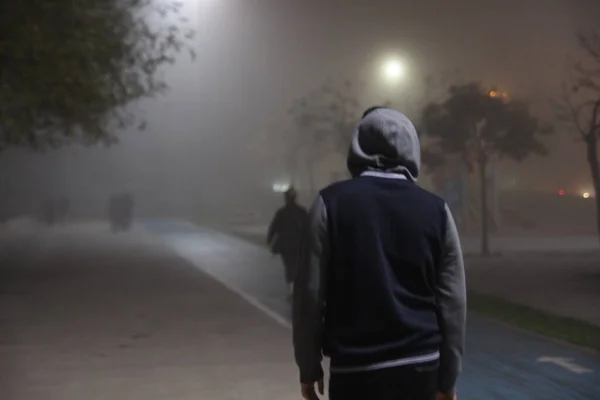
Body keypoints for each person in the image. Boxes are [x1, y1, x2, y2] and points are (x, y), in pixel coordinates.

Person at [292, 107, 466, 400]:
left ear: (358, 145)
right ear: (411, 148)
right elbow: (453, 303)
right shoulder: (437, 211)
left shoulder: (329, 204)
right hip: (420, 367)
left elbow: (309, 297)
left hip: (354, 372)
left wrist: (309, 367)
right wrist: (447, 379)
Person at [267, 186, 308, 300]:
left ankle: (291, 290)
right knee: (300, 266)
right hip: (300, 245)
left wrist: (270, 240)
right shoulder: (302, 212)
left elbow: (274, 228)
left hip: (286, 246)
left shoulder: (281, 212)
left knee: (289, 266)